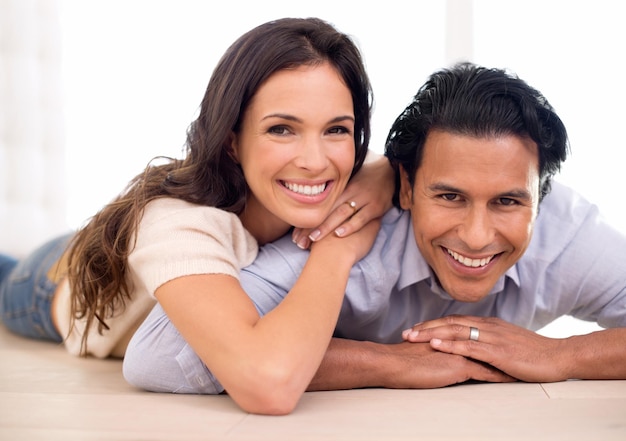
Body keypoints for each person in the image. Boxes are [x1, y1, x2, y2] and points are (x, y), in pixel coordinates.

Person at [124, 62, 626, 407]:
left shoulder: (569, 234)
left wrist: (561, 354)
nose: (476, 237)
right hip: (96, 293)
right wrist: (388, 363)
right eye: (449, 197)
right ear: (404, 187)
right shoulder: (348, 233)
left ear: (543, 196)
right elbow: (160, 359)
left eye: (508, 202)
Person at [0, 17, 395, 413]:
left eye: (337, 130)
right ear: (231, 141)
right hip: (53, 284)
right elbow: (267, 383)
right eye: (281, 130)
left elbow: (387, 166)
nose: (315, 161)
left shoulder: (356, 175)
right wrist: (338, 250)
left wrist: (387, 174)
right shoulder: (177, 223)